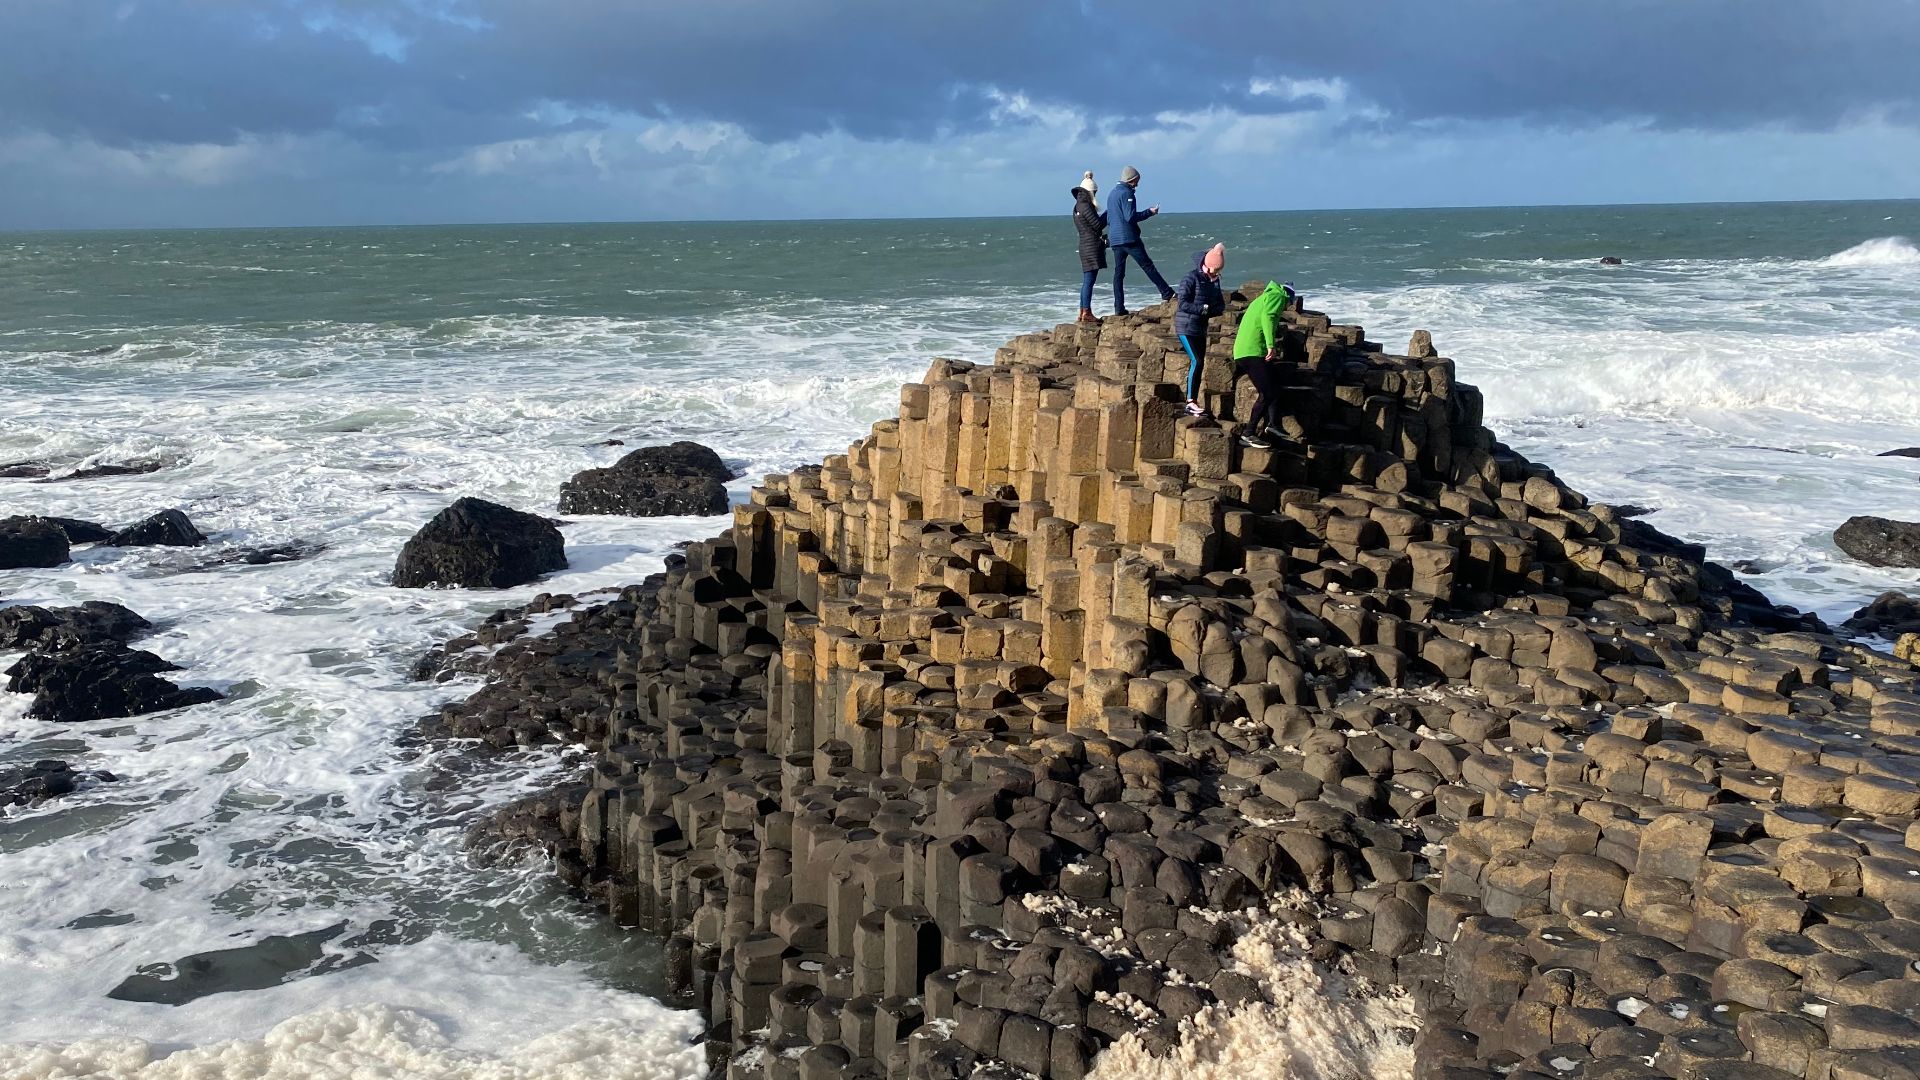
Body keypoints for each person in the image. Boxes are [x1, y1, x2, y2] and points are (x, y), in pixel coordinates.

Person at [1230, 279, 1298, 449]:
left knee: (1274, 386)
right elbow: (1268, 318)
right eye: (1288, 304)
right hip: (1253, 351)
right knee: (1267, 393)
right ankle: (1248, 433)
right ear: (1289, 297)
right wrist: (1270, 345)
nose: (1285, 307)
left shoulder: (1263, 297)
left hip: (1244, 350)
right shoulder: (1277, 296)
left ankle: (1274, 425)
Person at [1105, 165, 1172, 315]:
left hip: (1115, 239)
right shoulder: (1127, 193)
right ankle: (1166, 293)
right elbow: (1130, 217)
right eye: (1136, 181)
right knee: (1147, 266)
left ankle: (1119, 308)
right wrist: (1150, 212)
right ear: (1131, 180)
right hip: (1129, 238)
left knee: (1118, 273)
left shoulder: (1111, 194)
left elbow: (1109, 217)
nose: (1137, 184)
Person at [1174, 243, 1226, 417]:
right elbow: (1182, 304)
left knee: (1199, 363)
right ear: (1207, 265)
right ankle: (1190, 402)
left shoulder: (1214, 281)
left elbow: (1220, 305)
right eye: (1213, 271)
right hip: (1185, 327)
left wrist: (1212, 309)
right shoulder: (1190, 278)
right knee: (1197, 361)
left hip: (1201, 328)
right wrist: (1203, 309)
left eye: (1217, 272)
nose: (1215, 275)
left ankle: (1194, 400)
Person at [1070, 172, 1106, 323]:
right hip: (1091, 246)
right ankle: (1087, 312)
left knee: (1087, 280)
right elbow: (1097, 225)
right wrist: (1108, 214)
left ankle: (1082, 311)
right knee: (1089, 280)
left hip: (1084, 245)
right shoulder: (1086, 206)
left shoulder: (1077, 206)